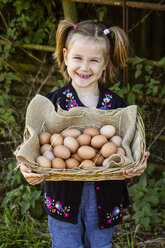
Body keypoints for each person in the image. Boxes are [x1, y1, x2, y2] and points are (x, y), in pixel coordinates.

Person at [20, 19, 150, 248]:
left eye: (94, 61)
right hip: (63, 197)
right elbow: (34, 144)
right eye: (78, 58)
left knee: (100, 245)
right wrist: (27, 167)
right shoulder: (52, 103)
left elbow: (124, 146)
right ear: (66, 55)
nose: (85, 67)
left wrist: (136, 163)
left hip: (105, 198)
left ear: (105, 63)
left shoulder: (115, 105)